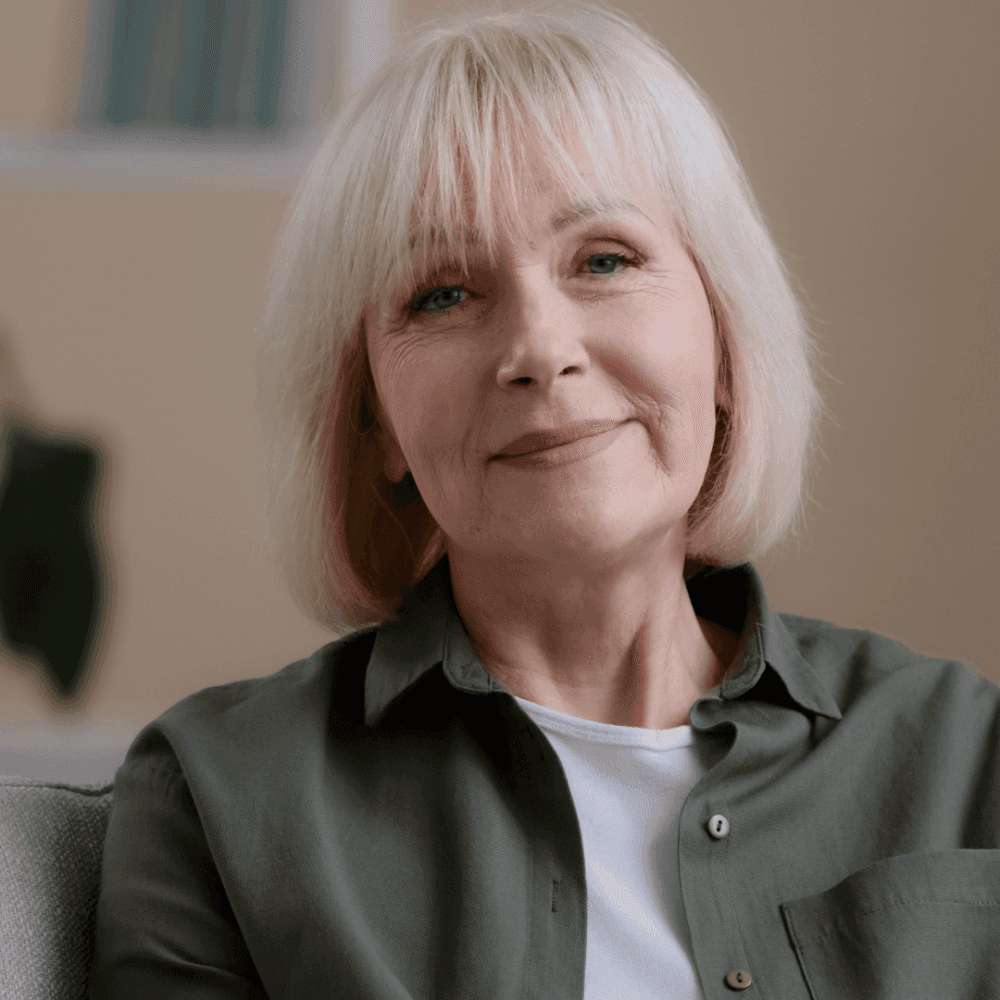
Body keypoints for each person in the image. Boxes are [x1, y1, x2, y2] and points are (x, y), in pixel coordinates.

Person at [89, 0, 1000, 996]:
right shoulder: (217, 798)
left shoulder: (965, 750)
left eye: (602, 260)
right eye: (441, 294)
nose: (537, 349)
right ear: (376, 423)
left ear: (725, 348)